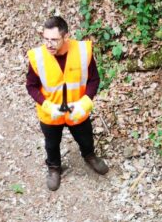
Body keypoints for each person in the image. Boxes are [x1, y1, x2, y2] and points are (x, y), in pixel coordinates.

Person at [26, 16, 109, 191]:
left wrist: (85, 103)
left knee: (86, 137)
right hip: (51, 112)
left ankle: (89, 156)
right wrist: (47, 105)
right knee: (51, 143)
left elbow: (94, 79)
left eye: (54, 40)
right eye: (46, 39)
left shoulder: (82, 51)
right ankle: (54, 167)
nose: (49, 44)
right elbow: (31, 86)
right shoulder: (38, 57)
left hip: (77, 109)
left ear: (66, 36)